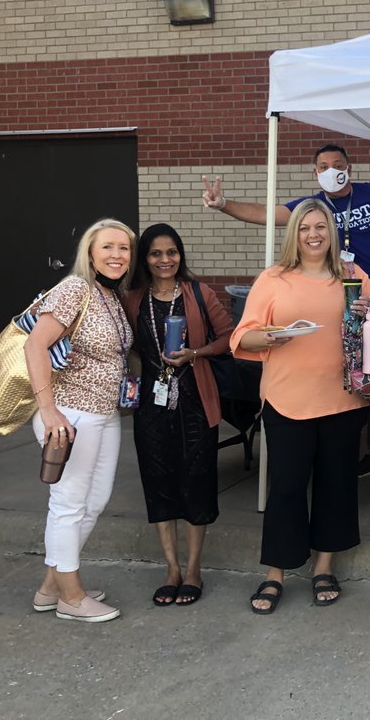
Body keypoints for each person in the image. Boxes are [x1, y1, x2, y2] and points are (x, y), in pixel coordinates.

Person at [203, 143, 370, 479]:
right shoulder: (312, 209)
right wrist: (223, 205)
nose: (331, 170)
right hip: (354, 302)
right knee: (369, 371)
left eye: (337, 164)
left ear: (349, 168)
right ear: (315, 172)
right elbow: (266, 213)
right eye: (323, 165)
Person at [232, 198, 370, 615]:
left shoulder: (352, 275)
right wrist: (273, 336)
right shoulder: (273, 279)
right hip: (287, 399)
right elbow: (243, 338)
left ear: (332, 232)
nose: (314, 234)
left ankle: (323, 567)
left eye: (321, 227)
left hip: (344, 399)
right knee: (288, 488)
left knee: (336, 486)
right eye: (304, 227)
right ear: (293, 233)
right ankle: (275, 573)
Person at [24, 218, 137, 623]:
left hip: (103, 414)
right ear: (90, 252)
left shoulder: (109, 294)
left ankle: (52, 586)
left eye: (123, 248)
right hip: (70, 413)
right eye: (107, 247)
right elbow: (35, 344)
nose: (116, 255)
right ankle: (71, 597)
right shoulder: (75, 288)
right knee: (69, 504)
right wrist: (49, 409)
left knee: (95, 501)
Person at [123, 223, 234, 607]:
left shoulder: (199, 293)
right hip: (152, 405)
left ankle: (193, 570)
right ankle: (170, 568)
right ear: (145, 259)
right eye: (156, 254)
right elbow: (128, 346)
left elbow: (228, 338)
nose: (165, 260)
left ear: (180, 255)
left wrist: (196, 353)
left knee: (197, 481)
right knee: (159, 482)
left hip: (194, 400)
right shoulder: (133, 298)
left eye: (172, 253)